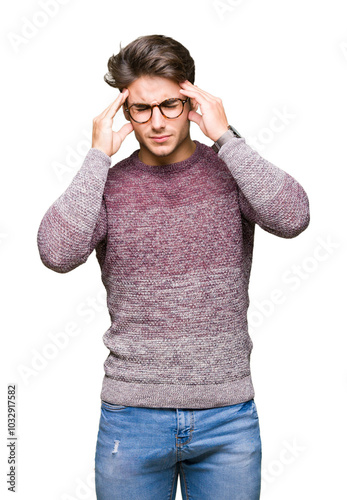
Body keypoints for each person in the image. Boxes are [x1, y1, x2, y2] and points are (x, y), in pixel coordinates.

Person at [37, 34, 310, 500]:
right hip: (133, 416)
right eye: (142, 109)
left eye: (170, 105)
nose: (157, 122)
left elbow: (293, 218)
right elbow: (57, 253)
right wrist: (96, 158)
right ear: (125, 113)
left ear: (192, 102)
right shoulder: (107, 185)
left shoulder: (231, 169)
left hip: (227, 416)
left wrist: (227, 137)